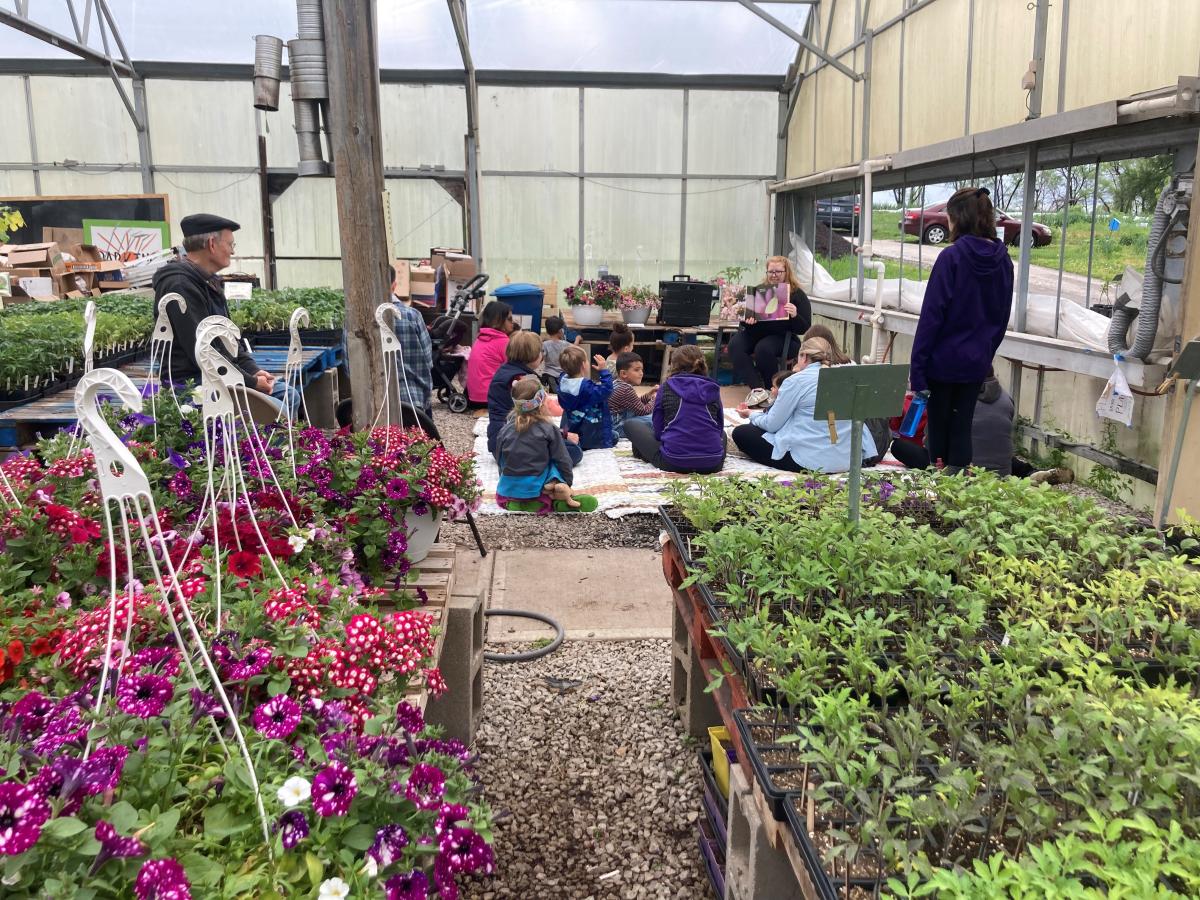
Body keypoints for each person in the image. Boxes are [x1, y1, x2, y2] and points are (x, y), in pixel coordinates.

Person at [909, 186, 1014, 474]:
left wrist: (917, 370)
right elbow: (1002, 316)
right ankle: (958, 488)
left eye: (950, 217)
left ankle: (934, 494)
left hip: (942, 362)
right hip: (975, 361)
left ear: (959, 218)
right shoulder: (1003, 260)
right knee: (962, 427)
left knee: (937, 432)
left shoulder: (951, 258)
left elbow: (932, 317)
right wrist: (984, 353)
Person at [153, 214, 284, 406]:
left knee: (287, 394)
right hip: (194, 384)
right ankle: (257, 437)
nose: (232, 251)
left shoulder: (208, 281)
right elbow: (204, 352)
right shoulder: (180, 285)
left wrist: (253, 371)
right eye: (230, 245)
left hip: (220, 375)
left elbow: (229, 340)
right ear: (212, 244)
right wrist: (252, 383)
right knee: (278, 405)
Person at [732, 337, 878, 473]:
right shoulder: (846, 378)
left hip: (809, 460)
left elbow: (772, 424)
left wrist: (752, 414)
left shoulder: (795, 381)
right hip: (847, 458)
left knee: (742, 433)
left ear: (804, 356)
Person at [496, 377, 597, 513]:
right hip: (537, 491)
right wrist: (566, 483)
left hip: (507, 492)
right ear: (542, 403)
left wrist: (505, 478)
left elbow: (500, 458)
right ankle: (557, 501)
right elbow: (562, 459)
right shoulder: (548, 428)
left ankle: (516, 503)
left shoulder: (504, 430)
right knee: (553, 464)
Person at [625, 346, 727, 474]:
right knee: (723, 434)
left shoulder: (666, 387)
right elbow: (719, 426)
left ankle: (645, 453)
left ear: (674, 366)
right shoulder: (713, 388)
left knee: (631, 424)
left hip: (673, 462)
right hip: (713, 464)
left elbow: (658, 430)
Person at [728, 255, 812, 398]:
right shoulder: (760, 291)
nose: (773, 275)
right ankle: (758, 390)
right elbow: (745, 320)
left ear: (787, 272)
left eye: (778, 272)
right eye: (770, 272)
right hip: (756, 333)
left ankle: (772, 388)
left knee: (763, 348)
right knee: (734, 345)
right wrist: (747, 320)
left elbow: (804, 328)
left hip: (784, 337)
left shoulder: (797, 294)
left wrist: (795, 315)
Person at [487, 331, 569, 459]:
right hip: (518, 442)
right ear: (534, 356)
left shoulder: (503, 371)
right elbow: (546, 410)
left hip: (497, 441)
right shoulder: (526, 379)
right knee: (572, 450)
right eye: (541, 351)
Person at [388, 265, 434, 418]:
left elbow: (348, 365)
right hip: (412, 398)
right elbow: (428, 360)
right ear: (394, 285)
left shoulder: (354, 321)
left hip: (369, 401)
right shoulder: (411, 316)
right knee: (418, 440)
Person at [557, 345, 615, 450]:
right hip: (591, 434)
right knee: (614, 436)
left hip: (571, 428)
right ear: (584, 365)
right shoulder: (586, 388)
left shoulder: (562, 382)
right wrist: (604, 371)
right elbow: (607, 390)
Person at [466, 301, 515, 408]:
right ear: (498, 320)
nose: (513, 322)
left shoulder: (480, 338)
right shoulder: (503, 341)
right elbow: (514, 369)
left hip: (474, 397)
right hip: (491, 399)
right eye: (509, 319)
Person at [608, 351, 657, 441]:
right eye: (636, 370)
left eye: (642, 370)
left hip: (614, 425)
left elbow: (635, 403)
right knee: (655, 418)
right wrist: (655, 400)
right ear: (624, 374)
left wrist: (649, 394)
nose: (641, 373)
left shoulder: (617, 383)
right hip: (618, 428)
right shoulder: (625, 389)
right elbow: (644, 411)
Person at [540, 315, 575, 389]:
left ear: (547, 331)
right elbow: (575, 349)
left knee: (552, 390)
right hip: (563, 373)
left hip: (549, 373)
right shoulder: (565, 344)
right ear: (560, 331)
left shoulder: (545, 344)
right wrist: (578, 339)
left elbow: (541, 358)